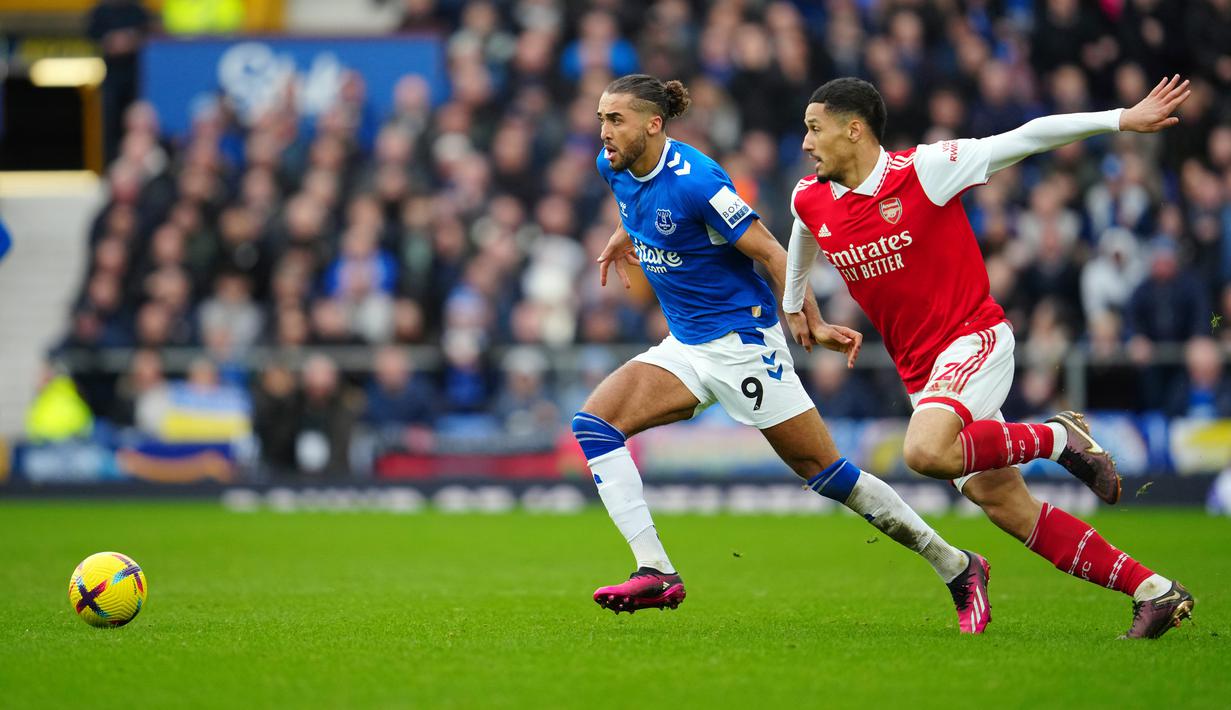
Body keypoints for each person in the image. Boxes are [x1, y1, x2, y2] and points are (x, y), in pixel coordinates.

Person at [783, 76, 1194, 639]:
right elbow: (804, 229)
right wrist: (795, 305)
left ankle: (1056, 438)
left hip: (973, 340)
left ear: (854, 130)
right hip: (922, 374)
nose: (806, 142)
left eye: (814, 129)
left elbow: (1026, 136)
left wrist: (1121, 118)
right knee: (1007, 507)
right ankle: (1155, 592)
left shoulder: (924, 170)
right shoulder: (809, 196)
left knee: (925, 451)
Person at [579, 74, 992, 632]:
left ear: (654, 124)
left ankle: (957, 565)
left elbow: (772, 251)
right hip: (687, 344)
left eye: (615, 120)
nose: (604, 131)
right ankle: (656, 571)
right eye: (601, 119)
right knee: (595, 425)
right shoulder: (614, 166)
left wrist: (808, 317)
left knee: (827, 474)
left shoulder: (699, 182)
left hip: (743, 345)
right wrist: (624, 233)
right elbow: (641, 205)